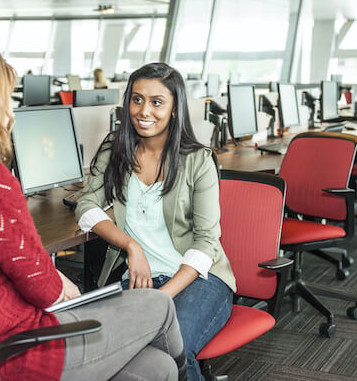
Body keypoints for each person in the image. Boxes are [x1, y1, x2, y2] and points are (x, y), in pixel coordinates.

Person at [0, 38, 186, 381]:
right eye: (5, 98)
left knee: (156, 367)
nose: (10, 110)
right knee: (159, 304)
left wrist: (54, 278)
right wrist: (57, 283)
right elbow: (43, 290)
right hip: (25, 350)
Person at [75, 62, 236, 381]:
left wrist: (162, 298)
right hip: (140, 279)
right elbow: (86, 205)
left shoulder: (197, 160)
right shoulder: (115, 148)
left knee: (174, 347)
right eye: (136, 99)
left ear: (175, 109)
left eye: (157, 102)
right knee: (108, 352)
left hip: (197, 279)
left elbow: (206, 241)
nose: (143, 110)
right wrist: (130, 246)